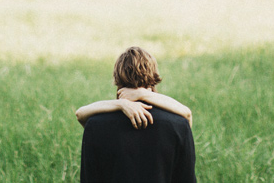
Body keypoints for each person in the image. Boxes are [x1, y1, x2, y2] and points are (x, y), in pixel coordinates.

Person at [76, 46, 196, 182]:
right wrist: (142, 94)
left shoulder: (95, 126)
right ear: (153, 79)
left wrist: (121, 102)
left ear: (117, 79)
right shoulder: (179, 125)